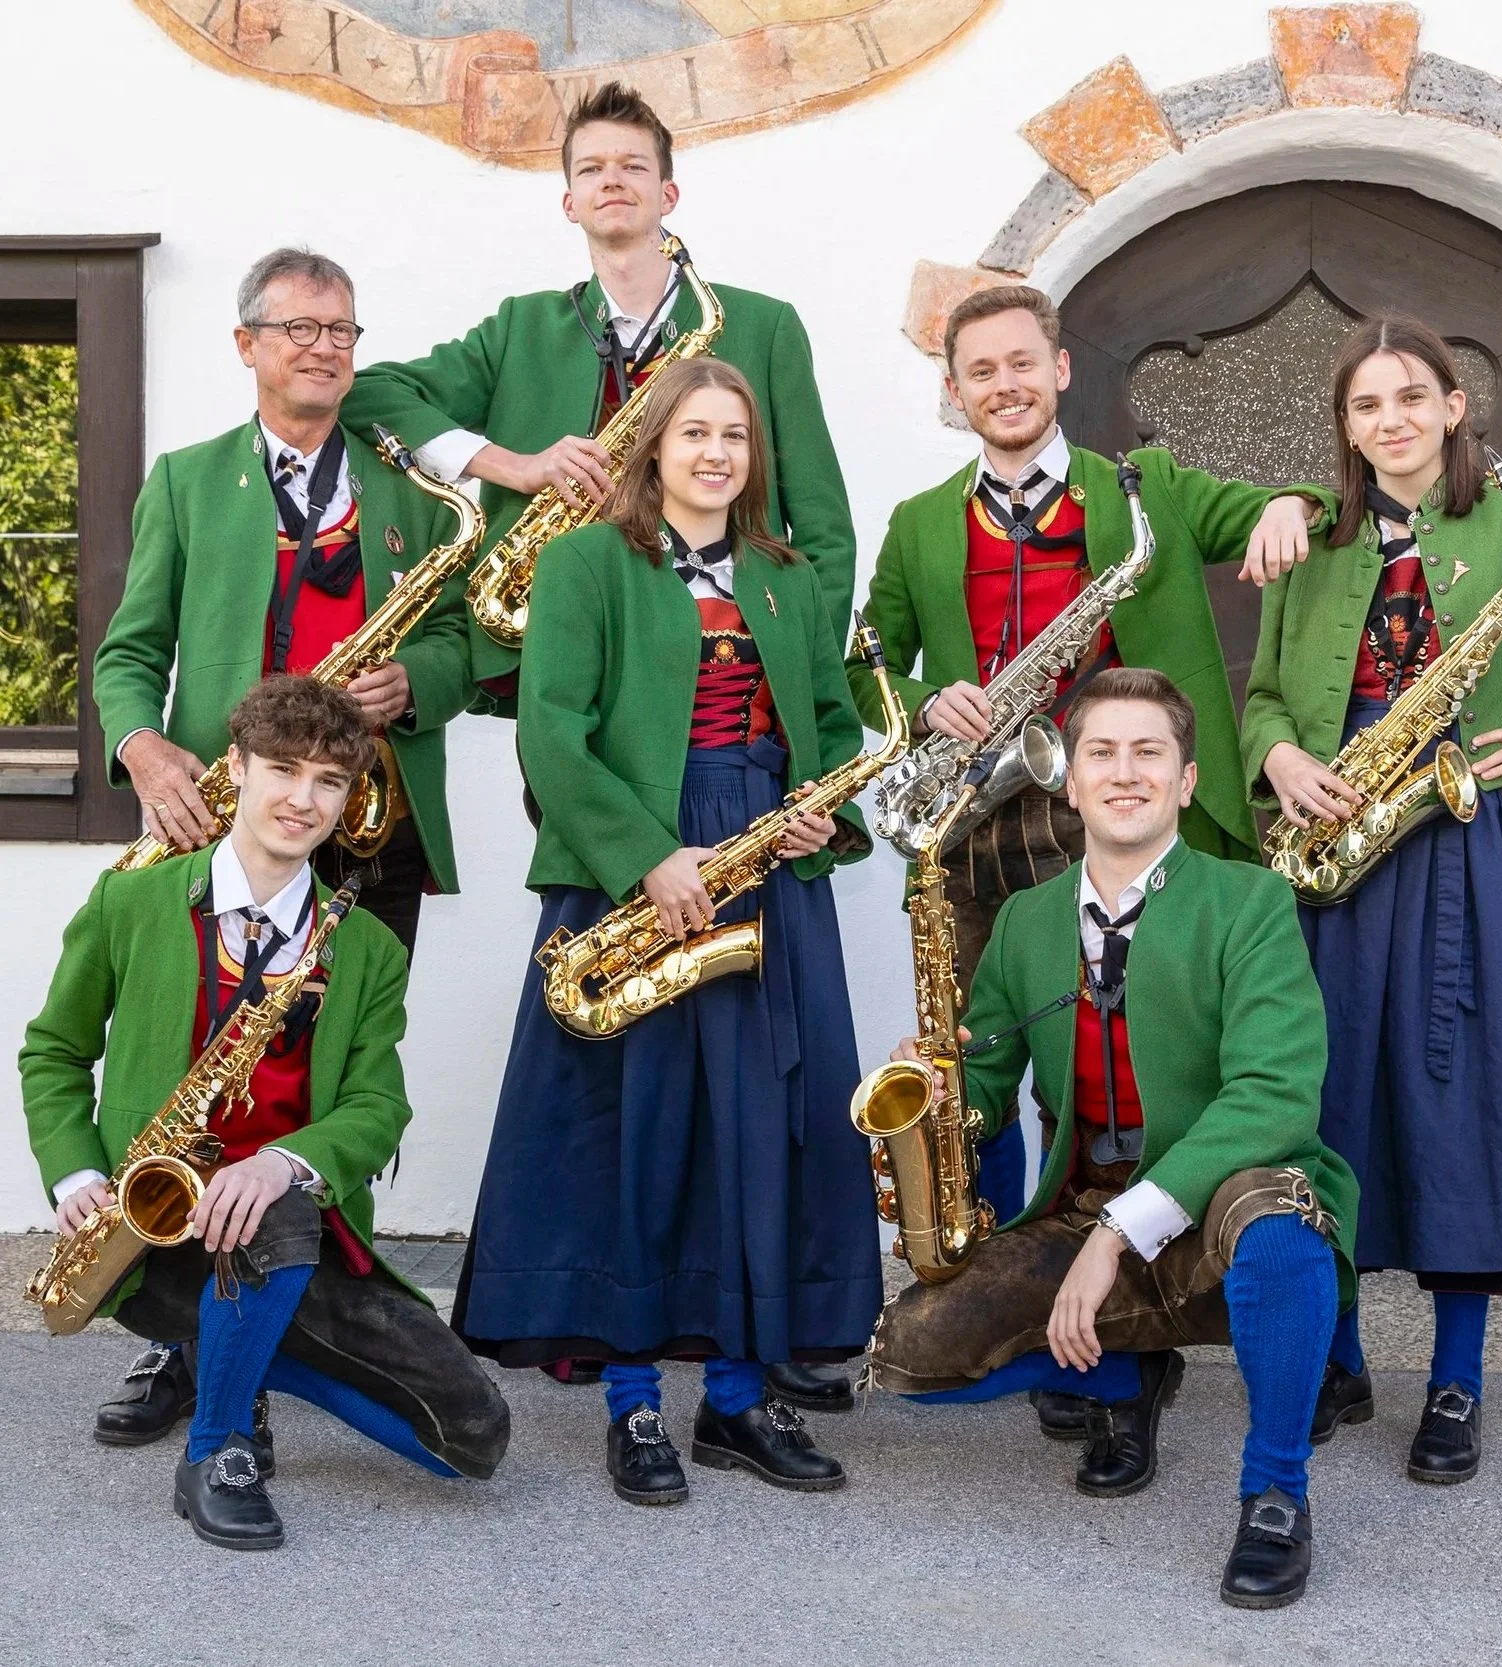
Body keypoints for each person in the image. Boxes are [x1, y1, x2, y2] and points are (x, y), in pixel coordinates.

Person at [848, 283, 1324, 1437]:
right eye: (980, 372)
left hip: (1109, 810)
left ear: (1060, 370)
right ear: (953, 392)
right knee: (978, 1072)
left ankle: (1132, 1317)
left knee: (1143, 1060)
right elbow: (863, 658)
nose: (1003, 386)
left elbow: (1275, 501)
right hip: (975, 823)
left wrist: (1291, 505)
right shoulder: (919, 521)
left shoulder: (1142, 487)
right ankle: (1037, 1297)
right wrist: (920, 701)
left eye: (1023, 364)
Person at [1242, 314, 1502, 1486]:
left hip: (1475, 840)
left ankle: (1454, 1378)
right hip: (1336, 842)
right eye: (1364, 404)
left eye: (1409, 397)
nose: (1389, 420)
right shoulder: (1318, 533)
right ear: (1344, 425)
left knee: (1468, 1102)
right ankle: (1333, 1357)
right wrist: (1277, 759)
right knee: (1321, 1096)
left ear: (1451, 405)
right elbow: (1268, 694)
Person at [449, 359, 880, 1504]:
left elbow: (829, 728)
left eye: (734, 436)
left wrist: (820, 812)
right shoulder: (588, 559)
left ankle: (737, 1399)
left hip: (764, 867)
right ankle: (633, 1400)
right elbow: (552, 731)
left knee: (760, 1132)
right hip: (632, 866)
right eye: (693, 432)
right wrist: (647, 855)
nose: (714, 454)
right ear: (652, 447)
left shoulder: (787, 579)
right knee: (634, 1131)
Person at [87, 246, 476, 1448]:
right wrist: (146, 753)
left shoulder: (408, 489)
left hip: (375, 829)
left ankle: (307, 1306)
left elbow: (475, 646)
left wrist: (421, 676)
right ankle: (191, 1335)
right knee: (200, 1076)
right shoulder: (189, 479)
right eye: (299, 327)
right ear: (248, 343)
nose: (323, 347)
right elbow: (125, 650)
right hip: (230, 823)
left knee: (338, 1078)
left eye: (343, 331)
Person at [866, 668, 1358, 1610]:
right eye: (1101, 752)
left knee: (1280, 1229)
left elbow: (1276, 1096)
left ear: (1184, 781)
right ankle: (1130, 1372)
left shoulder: (1249, 902)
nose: (1123, 773)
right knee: (913, 1355)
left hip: (1220, 1196)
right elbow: (989, 1082)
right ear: (1069, 779)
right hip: (1088, 1198)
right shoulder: (1018, 921)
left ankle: (1275, 1493)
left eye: (1148, 753)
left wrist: (1115, 1235)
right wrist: (939, 1090)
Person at [20, 677, 509, 1552]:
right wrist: (78, 1173)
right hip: (155, 1225)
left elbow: (375, 1103)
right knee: (273, 1219)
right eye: (282, 769)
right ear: (236, 768)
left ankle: (230, 1347)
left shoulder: (365, 948)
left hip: (292, 1221)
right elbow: (52, 1051)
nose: (302, 798)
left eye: (328, 780)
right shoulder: (128, 903)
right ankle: (219, 1448)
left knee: (471, 1439)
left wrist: (283, 1161)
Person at [341, 78, 856, 679]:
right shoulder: (520, 328)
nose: (611, 179)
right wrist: (516, 466)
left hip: (727, 661)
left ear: (668, 194)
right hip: (568, 655)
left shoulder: (764, 327)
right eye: (590, 169)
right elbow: (367, 393)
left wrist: (805, 673)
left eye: (632, 165)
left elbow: (824, 526)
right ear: (570, 202)